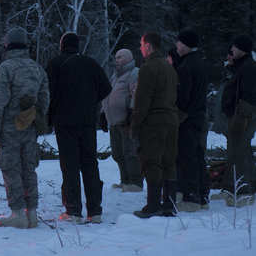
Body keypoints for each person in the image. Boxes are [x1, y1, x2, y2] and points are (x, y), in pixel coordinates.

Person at [47, 32, 111, 224]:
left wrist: (50, 114)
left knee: (70, 165)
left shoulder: (55, 64)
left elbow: (48, 91)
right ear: (78, 46)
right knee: (90, 164)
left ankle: (73, 210)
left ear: (62, 45)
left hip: (64, 122)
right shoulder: (90, 64)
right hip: (87, 121)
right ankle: (95, 210)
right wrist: (90, 102)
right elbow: (106, 88)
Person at [0, 27, 49, 229]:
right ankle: (31, 213)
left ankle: (17, 213)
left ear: (7, 45)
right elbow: (44, 98)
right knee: (29, 168)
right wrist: (37, 118)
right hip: (30, 125)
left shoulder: (6, 68)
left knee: (10, 168)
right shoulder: (37, 68)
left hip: (9, 126)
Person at [131, 32, 179, 218]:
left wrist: (135, 125)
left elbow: (142, 101)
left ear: (149, 46)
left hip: (154, 122)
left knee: (152, 161)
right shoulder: (169, 68)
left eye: (142, 45)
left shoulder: (148, 68)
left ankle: (152, 205)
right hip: (171, 120)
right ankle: (169, 204)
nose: (141, 48)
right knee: (169, 161)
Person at [172, 29, 209, 212]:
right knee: (197, 155)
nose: (176, 46)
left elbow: (183, 96)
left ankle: (191, 196)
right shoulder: (199, 63)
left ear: (185, 44)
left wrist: (177, 111)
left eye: (179, 43)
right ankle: (202, 195)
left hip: (187, 118)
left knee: (187, 157)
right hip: (198, 116)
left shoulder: (186, 66)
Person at [220, 35, 256, 205]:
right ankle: (232, 188)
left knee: (241, 151)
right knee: (235, 151)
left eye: (234, 47)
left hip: (243, 115)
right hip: (237, 114)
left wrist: (241, 117)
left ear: (242, 49)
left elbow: (248, 94)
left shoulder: (249, 67)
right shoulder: (242, 66)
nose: (231, 50)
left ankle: (245, 191)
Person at [100, 48, 142, 192]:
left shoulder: (134, 73)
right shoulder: (115, 75)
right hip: (113, 121)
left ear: (128, 58)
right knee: (118, 153)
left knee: (130, 152)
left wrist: (131, 113)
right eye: (116, 57)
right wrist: (102, 114)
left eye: (120, 57)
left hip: (126, 120)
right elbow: (108, 95)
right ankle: (125, 180)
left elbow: (136, 94)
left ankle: (135, 182)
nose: (117, 60)